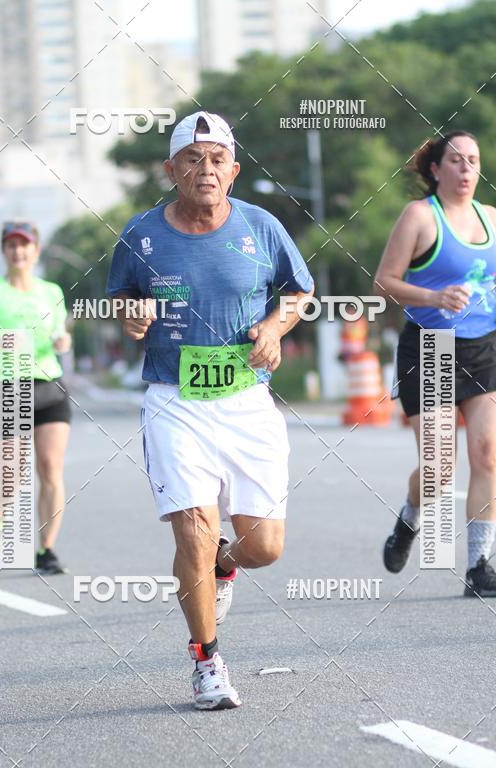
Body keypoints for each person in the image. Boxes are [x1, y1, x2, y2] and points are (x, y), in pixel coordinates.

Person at [107, 111, 314, 710]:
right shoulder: (142, 235)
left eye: (217, 158)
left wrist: (275, 327)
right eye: (192, 159)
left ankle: (226, 564)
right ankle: (207, 660)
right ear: (171, 170)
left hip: (247, 402)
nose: (206, 169)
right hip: (176, 401)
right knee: (193, 532)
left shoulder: (261, 226)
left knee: (265, 547)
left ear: (234, 169)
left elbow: (299, 292)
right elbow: (120, 295)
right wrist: (130, 315)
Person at [374, 131, 496, 596]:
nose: (466, 170)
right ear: (436, 169)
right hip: (431, 346)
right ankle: (410, 518)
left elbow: (494, 270)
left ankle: (479, 565)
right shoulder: (420, 217)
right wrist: (434, 296)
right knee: (440, 469)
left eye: (473, 161)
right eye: (456, 161)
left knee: (487, 454)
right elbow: (384, 282)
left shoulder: (492, 217)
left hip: (486, 346)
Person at [0, 221, 72, 575]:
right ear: (4, 252)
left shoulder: (51, 291)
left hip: (49, 385)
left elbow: (61, 333)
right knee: (13, 478)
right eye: (11, 246)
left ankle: (47, 550)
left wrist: (63, 342)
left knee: (50, 468)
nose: (18, 251)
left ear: (35, 251)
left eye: (25, 245)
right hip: (5, 388)